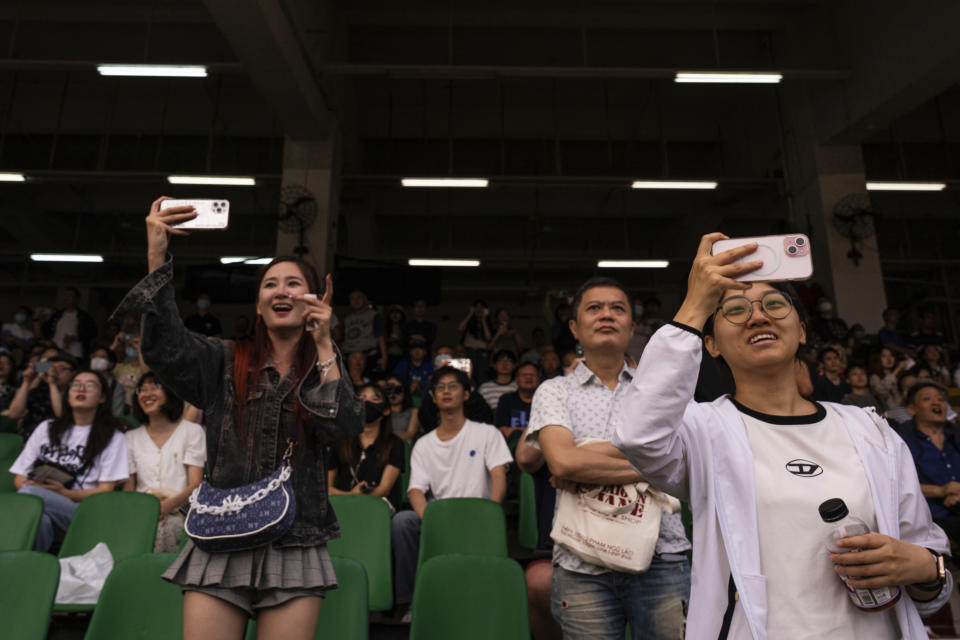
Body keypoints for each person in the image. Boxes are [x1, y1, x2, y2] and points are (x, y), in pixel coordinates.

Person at [613, 233, 953, 639]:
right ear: (711, 344)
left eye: (775, 304)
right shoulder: (703, 431)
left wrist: (924, 569)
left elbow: (929, 572)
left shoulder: (871, 430)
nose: (758, 317)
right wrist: (696, 303)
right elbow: (638, 435)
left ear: (803, 331)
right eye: (734, 310)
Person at [112, 197, 363, 640]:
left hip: (296, 538)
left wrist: (325, 344)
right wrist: (156, 253)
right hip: (221, 534)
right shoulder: (224, 359)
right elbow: (164, 348)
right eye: (270, 284)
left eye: (293, 284)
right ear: (258, 301)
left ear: (317, 298)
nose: (280, 291)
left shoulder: (324, 367)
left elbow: (343, 427)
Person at [524, 277, 691, 640]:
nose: (606, 315)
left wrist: (586, 454)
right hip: (581, 562)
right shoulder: (554, 390)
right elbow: (563, 464)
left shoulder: (662, 393)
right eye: (594, 308)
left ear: (632, 327)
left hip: (662, 554)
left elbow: (683, 459)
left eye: (618, 308)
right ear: (574, 327)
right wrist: (651, 469)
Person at [391, 365, 512, 622]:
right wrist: (432, 520)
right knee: (403, 522)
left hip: (479, 515)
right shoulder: (424, 444)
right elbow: (415, 490)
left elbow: (499, 476)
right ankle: (412, 601)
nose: (446, 391)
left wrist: (492, 510)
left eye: (453, 386)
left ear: (466, 394)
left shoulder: (486, 433)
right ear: (433, 397)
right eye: (440, 388)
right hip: (439, 517)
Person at [9, 370, 128, 551]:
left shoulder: (113, 436)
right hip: (43, 506)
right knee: (40, 521)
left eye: (90, 385)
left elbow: (106, 489)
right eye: (75, 384)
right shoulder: (46, 428)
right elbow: (19, 478)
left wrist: (64, 493)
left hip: (82, 513)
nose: (81, 388)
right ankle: (27, 571)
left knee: (29, 496)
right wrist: (40, 487)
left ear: (102, 397)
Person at [123, 371, 206, 552]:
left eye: (154, 387)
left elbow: (195, 484)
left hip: (180, 511)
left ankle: (155, 578)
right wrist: (143, 511)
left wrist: (168, 505)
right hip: (141, 510)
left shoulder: (191, 431)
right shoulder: (130, 438)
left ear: (170, 392)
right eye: (142, 390)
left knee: (161, 530)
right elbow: (129, 488)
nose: (146, 394)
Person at [895, 381, 960, 544]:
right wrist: (941, 491)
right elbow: (898, 484)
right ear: (912, 409)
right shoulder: (902, 442)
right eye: (927, 399)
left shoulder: (956, 434)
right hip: (931, 517)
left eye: (940, 399)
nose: (937, 402)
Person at [328, 383, 405, 511]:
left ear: (386, 410)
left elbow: (384, 489)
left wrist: (360, 498)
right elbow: (326, 487)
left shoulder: (395, 444)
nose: (367, 403)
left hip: (378, 510)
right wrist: (351, 496)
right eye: (362, 398)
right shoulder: (340, 441)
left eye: (374, 399)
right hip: (343, 507)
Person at [6, 350, 74, 438]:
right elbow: (14, 414)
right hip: (29, 438)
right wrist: (26, 381)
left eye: (61, 368)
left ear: (73, 373)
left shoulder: (76, 392)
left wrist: (52, 383)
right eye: (52, 367)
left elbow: (61, 415)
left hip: (57, 439)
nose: (55, 372)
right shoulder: (39, 389)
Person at [41, 287, 98, 359]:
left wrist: (75, 338)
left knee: (68, 368)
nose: (67, 298)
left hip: (75, 353)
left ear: (77, 299)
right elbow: (45, 329)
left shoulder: (84, 316)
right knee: (45, 366)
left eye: (70, 295)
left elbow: (93, 333)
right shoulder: (57, 314)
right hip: (55, 350)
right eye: (65, 295)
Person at [342, 289, 387, 373]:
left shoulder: (373, 315)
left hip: (369, 355)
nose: (356, 300)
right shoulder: (347, 318)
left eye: (359, 297)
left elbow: (380, 336)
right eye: (352, 298)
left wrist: (384, 357)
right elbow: (344, 339)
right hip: (350, 356)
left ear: (365, 299)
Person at [495, 361, 539, 443]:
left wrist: (516, 430)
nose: (528, 377)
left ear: (538, 379)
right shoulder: (506, 400)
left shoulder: (544, 401)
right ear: (516, 380)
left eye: (532, 375)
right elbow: (502, 430)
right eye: (524, 375)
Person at [90, 344, 126, 417]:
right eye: (94, 356)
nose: (97, 359)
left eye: (102, 357)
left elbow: (117, 415)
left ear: (111, 364)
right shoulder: (83, 381)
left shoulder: (116, 387)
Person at [870, 346, 907, 412]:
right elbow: (881, 390)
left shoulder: (901, 374)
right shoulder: (874, 377)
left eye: (891, 355)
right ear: (878, 359)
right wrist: (897, 369)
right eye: (884, 356)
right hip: (887, 413)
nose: (889, 359)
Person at [381, 375, 417, 441]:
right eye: (389, 389)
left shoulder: (414, 412)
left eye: (398, 389)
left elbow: (410, 434)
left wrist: (388, 441)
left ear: (404, 391)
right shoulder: (380, 412)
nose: (393, 393)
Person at [383, 305, 408, 372]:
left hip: (402, 356)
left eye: (398, 313)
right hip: (388, 356)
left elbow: (407, 343)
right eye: (392, 313)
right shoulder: (385, 327)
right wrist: (389, 341)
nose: (395, 315)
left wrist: (399, 341)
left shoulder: (406, 328)